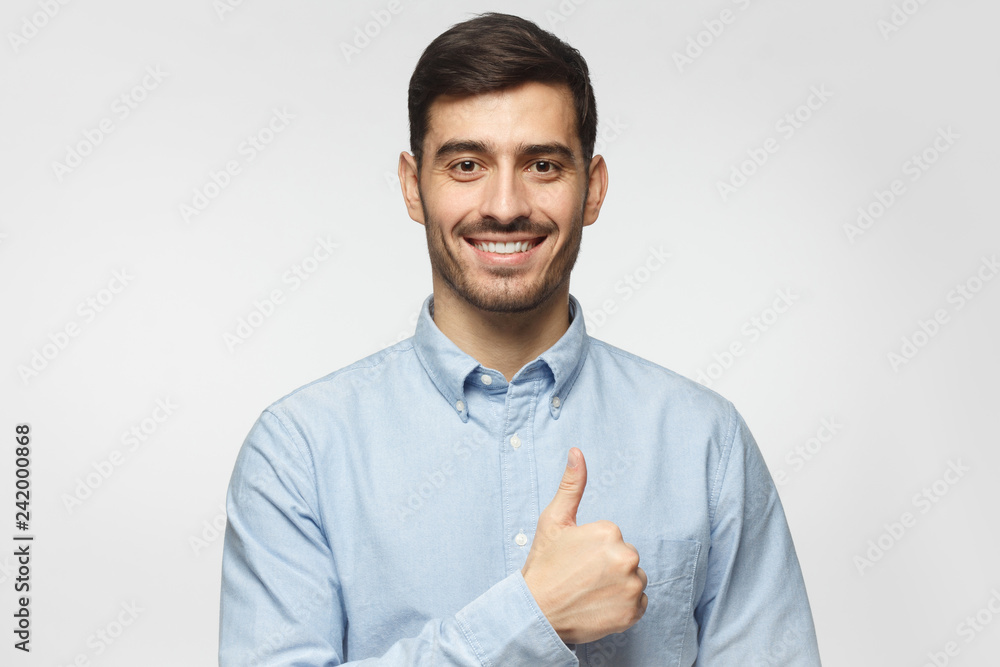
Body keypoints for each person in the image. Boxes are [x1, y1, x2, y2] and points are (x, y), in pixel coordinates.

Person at [219, 12, 821, 666]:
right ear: (412, 185)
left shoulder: (706, 441)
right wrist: (534, 616)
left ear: (592, 189)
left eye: (541, 164)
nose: (504, 204)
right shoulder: (297, 452)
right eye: (467, 163)